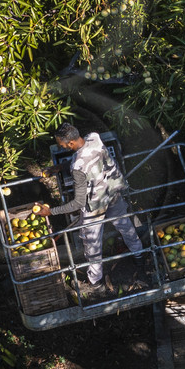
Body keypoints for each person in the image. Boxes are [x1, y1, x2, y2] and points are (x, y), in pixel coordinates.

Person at [34, 124, 146, 289]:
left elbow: (78, 202)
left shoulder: (77, 168)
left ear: (70, 143)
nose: (61, 147)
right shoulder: (94, 137)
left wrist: (51, 211)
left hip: (95, 206)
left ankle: (95, 282)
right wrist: (59, 168)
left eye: (62, 144)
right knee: (125, 226)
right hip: (113, 194)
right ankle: (140, 257)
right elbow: (89, 157)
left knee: (92, 245)